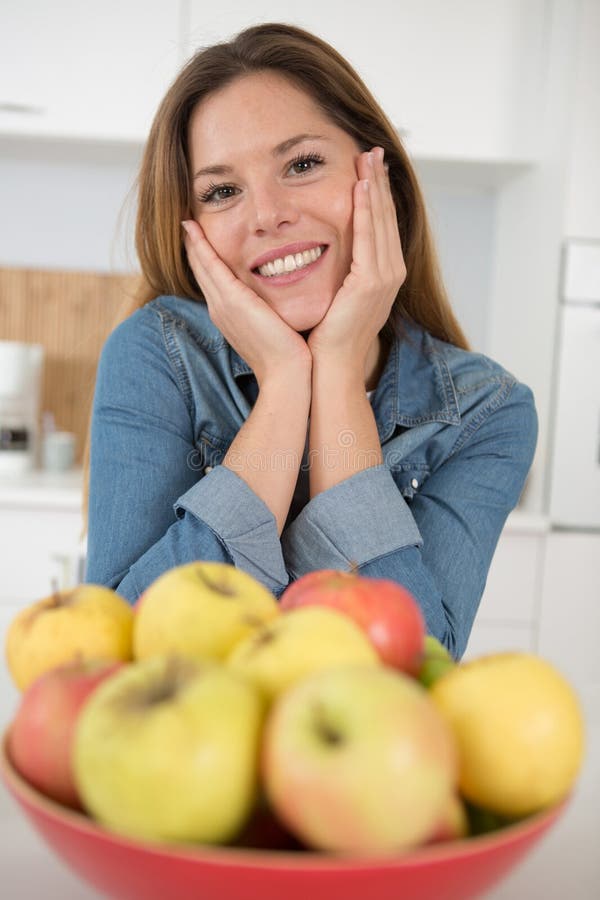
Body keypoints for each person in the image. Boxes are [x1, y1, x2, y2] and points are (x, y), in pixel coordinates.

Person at [83, 22, 537, 659]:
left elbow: (410, 667)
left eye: (301, 164)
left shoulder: (487, 411)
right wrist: (285, 384)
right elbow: (118, 654)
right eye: (222, 191)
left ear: (379, 178)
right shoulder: (156, 353)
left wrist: (338, 371)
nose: (267, 214)